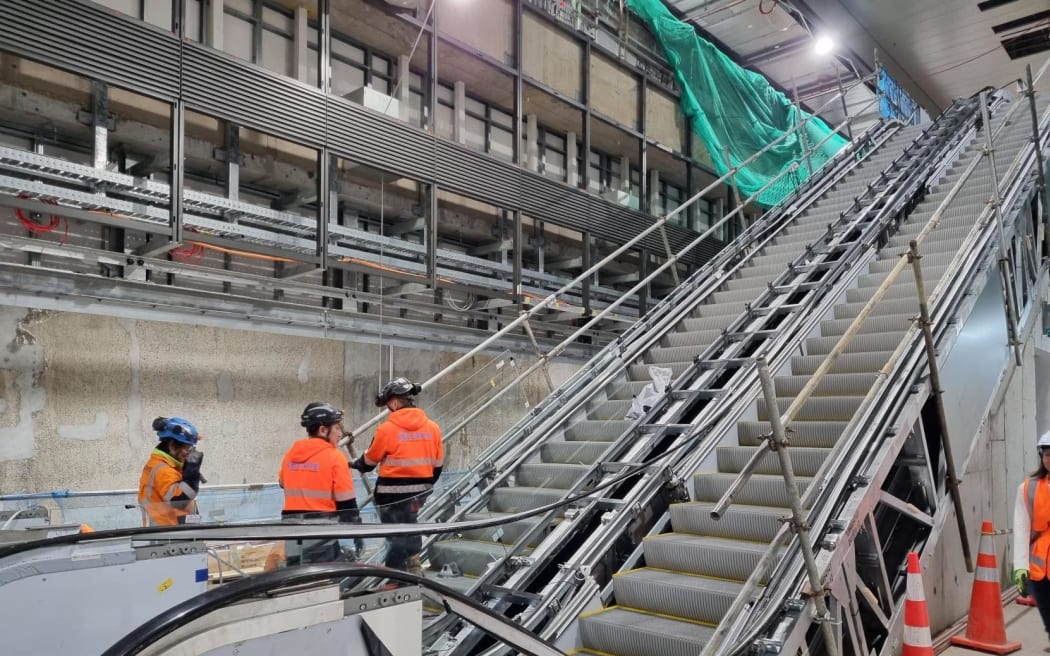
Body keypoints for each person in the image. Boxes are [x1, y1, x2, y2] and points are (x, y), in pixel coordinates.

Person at [351, 377, 443, 575]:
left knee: (394, 532)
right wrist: (423, 487)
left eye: (387, 405)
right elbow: (438, 467)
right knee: (410, 522)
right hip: (420, 492)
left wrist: (355, 463)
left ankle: (396, 574)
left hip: (390, 495)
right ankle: (414, 563)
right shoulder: (433, 428)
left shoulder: (387, 429)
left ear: (394, 403)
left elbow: (369, 462)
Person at [280, 402, 362, 565]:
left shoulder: (291, 454)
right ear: (323, 430)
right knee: (326, 583)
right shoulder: (335, 457)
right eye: (337, 428)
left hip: (292, 534)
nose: (340, 434)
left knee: (297, 581)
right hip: (323, 535)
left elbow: (283, 483)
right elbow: (347, 505)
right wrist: (358, 533)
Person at [1013, 430, 1050, 646]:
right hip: (1039, 573)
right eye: (1046, 454)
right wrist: (1020, 566)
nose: (1049, 459)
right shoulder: (1028, 488)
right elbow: (1021, 527)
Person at [138, 416, 204, 526]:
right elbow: (179, 501)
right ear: (172, 446)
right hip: (169, 534)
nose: (189, 453)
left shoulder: (165, 464)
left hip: (174, 532)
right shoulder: (164, 470)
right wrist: (192, 474)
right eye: (187, 448)